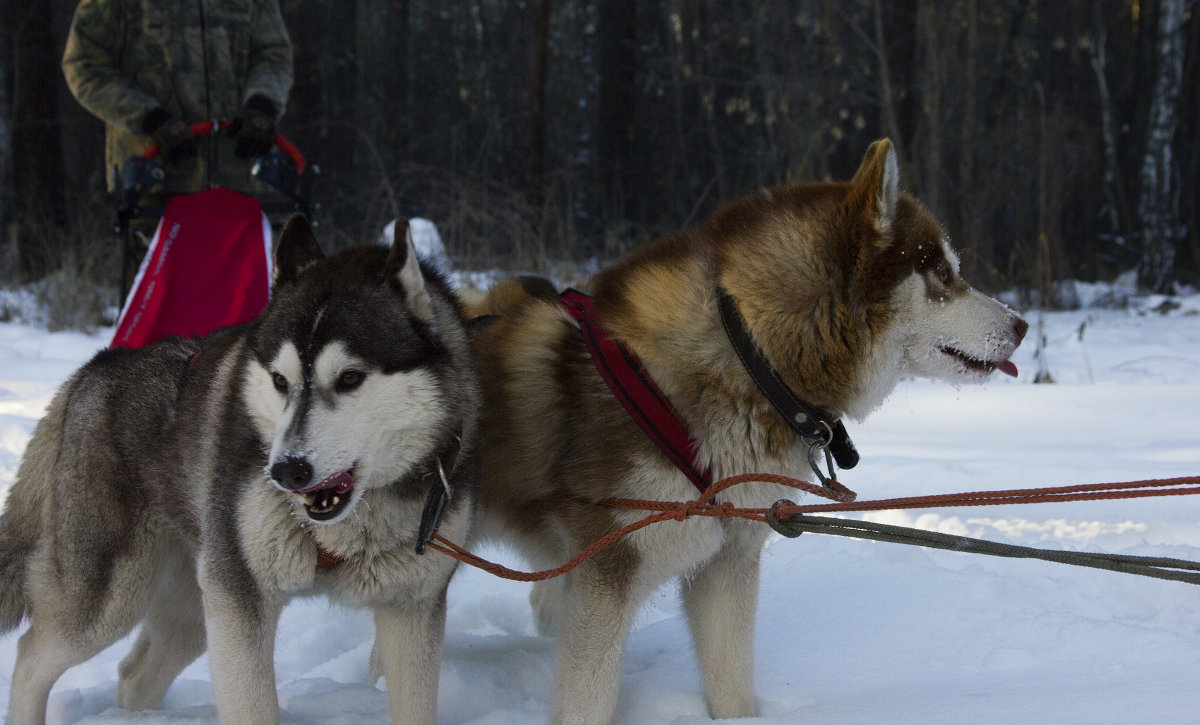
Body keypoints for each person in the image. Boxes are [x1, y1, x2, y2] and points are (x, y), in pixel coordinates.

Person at [61, 0, 294, 199]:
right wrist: (149, 117)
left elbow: (273, 55)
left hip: (241, 181)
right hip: (154, 182)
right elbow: (84, 65)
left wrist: (262, 102)